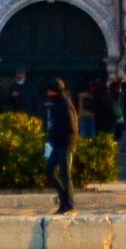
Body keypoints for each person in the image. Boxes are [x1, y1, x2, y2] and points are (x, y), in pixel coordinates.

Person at [42, 80, 76, 216]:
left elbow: (72, 127)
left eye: (50, 90)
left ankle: (69, 204)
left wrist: (63, 138)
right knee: (50, 170)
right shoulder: (56, 104)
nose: (48, 93)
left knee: (65, 174)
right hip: (57, 144)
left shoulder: (65, 104)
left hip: (66, 144)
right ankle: (64, 199)